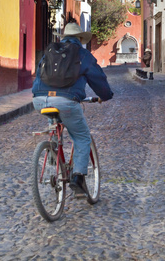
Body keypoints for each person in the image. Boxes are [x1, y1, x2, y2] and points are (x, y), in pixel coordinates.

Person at [32, 23, 113, 196]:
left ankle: (53, 149)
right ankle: (78, 178)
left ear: (64, 37)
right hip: (66, 101)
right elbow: (98, 80)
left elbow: (38, 75)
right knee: (82, 137)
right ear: (80, 39)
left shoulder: (50, 51)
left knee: (53, 115)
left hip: (39, 100)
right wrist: (105, 96)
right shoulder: (82, 54)